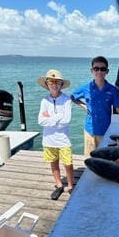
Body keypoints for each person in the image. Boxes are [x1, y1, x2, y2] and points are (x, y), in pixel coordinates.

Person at [71, 56, 119, 157]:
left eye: (103, 69)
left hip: (106, 131)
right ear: (91, 70)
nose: (99, 72)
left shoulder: (113, 90)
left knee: (105, 160)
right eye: (96, 69)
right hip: (90, 131)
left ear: (107, 71)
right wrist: (84, 106)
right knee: (90, 158)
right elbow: (72, 97)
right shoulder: (86, 88)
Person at [38, 69, 74, 200]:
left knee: (68, 163)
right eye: (51, 81)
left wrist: (51, 119)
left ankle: (70, 186)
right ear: (47, 84)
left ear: (61, 84)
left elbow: (67, 121)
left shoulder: (66, 100)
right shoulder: (44, 101)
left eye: (57, 82)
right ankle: (59, 185)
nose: (54, 84)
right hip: (48, 139)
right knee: (53, 162)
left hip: (63, 139)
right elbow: (40, 121)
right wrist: (58, 117)